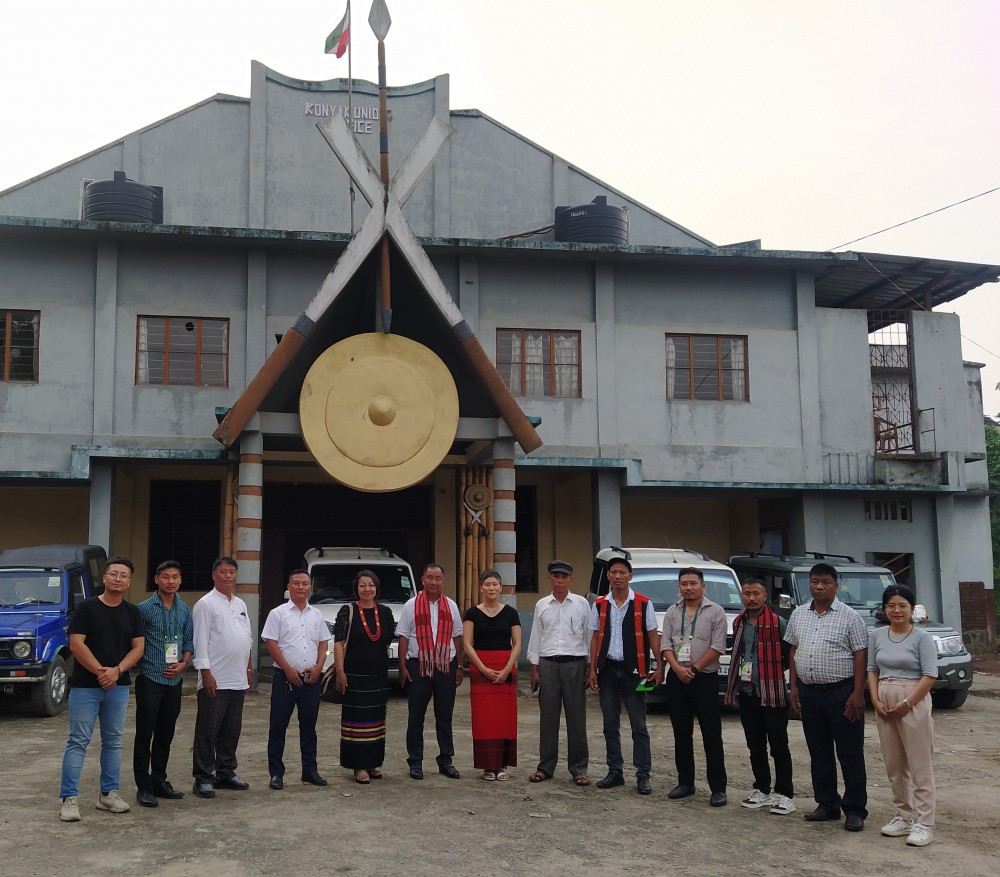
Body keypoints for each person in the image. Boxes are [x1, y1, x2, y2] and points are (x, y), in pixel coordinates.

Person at [59, 555, 145, 822]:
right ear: (104, 578)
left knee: (113, 742)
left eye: (123, 575)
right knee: (78, 741)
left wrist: (116, 671)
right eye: (114, 574)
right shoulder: (86, 608)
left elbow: (138, 648)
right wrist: (101, 672)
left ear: (129, 582)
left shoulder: (133, 612)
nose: (118, 579)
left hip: (118, 687)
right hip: (86, 686)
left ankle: (108, 795)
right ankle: (69, 799)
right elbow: (76, 644)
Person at [785, 562, 869, 831]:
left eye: (825, 582)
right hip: (810, 692)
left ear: (836, 585)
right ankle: (827, 804)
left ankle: (855, 809)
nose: (818, 587)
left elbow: (860, 655)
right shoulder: (798, 614)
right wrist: (794, 687)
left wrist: (857, 693)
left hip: (841, 693)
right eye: (814, 582)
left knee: (849, 753)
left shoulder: (850, 616)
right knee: (819, 752)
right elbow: (793, 650)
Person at [867, 585, 938, 847]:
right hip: (884, 700)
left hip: (913, 700)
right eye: (891, 606)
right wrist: (874, 699)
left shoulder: (922, 638)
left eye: (902, 605)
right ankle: (902, 815)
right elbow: (872, 668)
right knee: (894, 765)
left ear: (911, 609)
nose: (897, 610)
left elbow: (930, 675)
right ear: (884, 609)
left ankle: (924, 822)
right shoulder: (876, 635)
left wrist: (907, 703)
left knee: (920, 765)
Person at [587, 556, 662, 795]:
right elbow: (595, 637)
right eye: (613, 572)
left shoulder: (643, 603)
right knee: (610, 724)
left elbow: (652, 635)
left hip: (636, 672)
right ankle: (615, 772)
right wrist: (592, 669)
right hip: (607, 670)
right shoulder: (599, 604)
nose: (617, 576)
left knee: (639, 724)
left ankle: (643, 775)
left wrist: (659, 666)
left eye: (622, 572)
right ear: (608, 576)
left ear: (630, 576)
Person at [724, 577, 795, 815]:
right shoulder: (739, 622)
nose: (751, 598)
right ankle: (762, 789)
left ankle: (785, 794)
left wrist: (770, 673)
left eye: (756, 593)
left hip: (772, 693)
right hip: (747, 692)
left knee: (779, 747)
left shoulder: (778, 623)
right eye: (746, 594)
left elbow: (789, 656)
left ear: (765, 596)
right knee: (755, 746)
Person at [660, 566, 728, 806]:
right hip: (677, 678)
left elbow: (718, 646)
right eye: (684, 584)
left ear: (703, 586)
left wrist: (695, 669)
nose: (688, 588)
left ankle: (718, 788)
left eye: (693, 583)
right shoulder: (671, 611)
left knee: (711, 734)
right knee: (681, 733)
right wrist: (677, 669)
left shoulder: (716, 611)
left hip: (704, 678)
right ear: (679, 586)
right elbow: (665, 645)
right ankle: (685, 783)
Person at [261, 568, 330, 790]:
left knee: (309, 727)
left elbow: (323, 643)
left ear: (311, 588)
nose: (301, 587)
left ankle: (309, 771)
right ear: (289, 587)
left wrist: (320, 666)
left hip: (311, 679)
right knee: (278, 727)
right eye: (296, 583)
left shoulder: (317, 615)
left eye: (305, 584)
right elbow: (271, 643)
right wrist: (288, 669)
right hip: (284, 678)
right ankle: (276, 774)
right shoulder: (278, 614)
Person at [133, 560, 194, 807]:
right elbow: (135, 643)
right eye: (166, 577)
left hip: (175, 681)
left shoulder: (184, 609)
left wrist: (184, 663)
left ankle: (160, 781)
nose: (171, 581)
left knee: (165, 734)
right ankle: (143, 787)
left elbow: (189, 641)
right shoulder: (144, 609)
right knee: (145, 733)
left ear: (180, 580)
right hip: (150, 679)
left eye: (175, 577)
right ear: (156, 579)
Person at [191, 556, 253, 798]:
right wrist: (205, 673)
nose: (228, 576)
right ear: (214, 575)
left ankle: (225, 772)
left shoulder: (240, 604)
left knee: (231, 729)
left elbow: (246, 639)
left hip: (237, 676)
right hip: (215, 677)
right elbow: (200, 641)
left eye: (232, 572)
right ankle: (203, 777)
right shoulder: (206, 604)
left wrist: (248, 668)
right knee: (208, 730)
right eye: (223, 572)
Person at [526, 559, 592, 787]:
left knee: (576, 719)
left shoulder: (582, 604)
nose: (560, 581)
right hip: (548, 665)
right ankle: (545, 767)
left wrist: (590, 667)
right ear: (549, 579)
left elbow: (589, 637)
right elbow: (535, 636)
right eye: (555, 576)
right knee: (548, 718)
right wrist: (534, 668)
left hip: (575, 664)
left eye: (564, 577)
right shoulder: (542, 605)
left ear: (571, 580)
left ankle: (579, 768)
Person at [397, 563, 464, 780]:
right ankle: (415, 761)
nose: (433, 582)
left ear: (443, 582)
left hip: (446, 666)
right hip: (418, 667)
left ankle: (446, 760)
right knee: (416, 716)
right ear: (423, 580)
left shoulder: (451, 606)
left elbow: (458, 636)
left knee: (444, 716)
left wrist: (460, 666)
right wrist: (402, 666)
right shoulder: (411, 605)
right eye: (429, 578)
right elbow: (404, 637)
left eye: (437, 578)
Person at [333, 569, 395, 783]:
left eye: (371, 585)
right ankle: (358, 765)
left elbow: (386, 641)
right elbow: (339, 643)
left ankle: (372, 763)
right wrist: (340, 671)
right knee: (357, 722)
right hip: (354, 674)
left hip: (377, 675)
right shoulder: (347, 610)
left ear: (377, 587)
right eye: (362, 585)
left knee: (376, 721)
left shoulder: (385, 612)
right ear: (356, 588)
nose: (367, 589)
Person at [463, 569, 521, 781]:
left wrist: (507, 669)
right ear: (481, 588)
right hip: (481, 668)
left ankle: (502, 765)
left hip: (505, 668)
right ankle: (488, 767)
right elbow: (468, 644)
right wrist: (482, 669)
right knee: (484, 719)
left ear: (500, 587)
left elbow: (517, 644)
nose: (491, 588)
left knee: (504, 719)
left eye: (495, 584)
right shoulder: (471, 613)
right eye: (487, 584)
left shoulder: (511, 613)